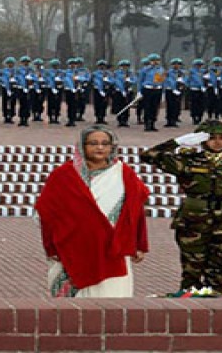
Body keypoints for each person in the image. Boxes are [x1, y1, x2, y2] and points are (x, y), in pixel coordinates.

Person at [36, 125, 149, 297]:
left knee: (112, 302)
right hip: (73, 249)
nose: (100, 147)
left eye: (105, 143)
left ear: (112, 147)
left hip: (112, 251)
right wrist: (51, 248)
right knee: (71, 310)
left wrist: (139, 245)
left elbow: (136, 212)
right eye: (93, 143)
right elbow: (47, 214)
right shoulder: (64, 175)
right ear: (82, 146)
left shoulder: (124, 174)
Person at [139, 119, 222, 295]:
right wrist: (177, 142)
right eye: (212, 137)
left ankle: (216, 308)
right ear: (201, 139)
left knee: (219, 268)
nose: (218, 142)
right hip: (194, 221)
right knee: (192, 269)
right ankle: (191, 308)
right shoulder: (187, 160)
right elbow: (148, 155)